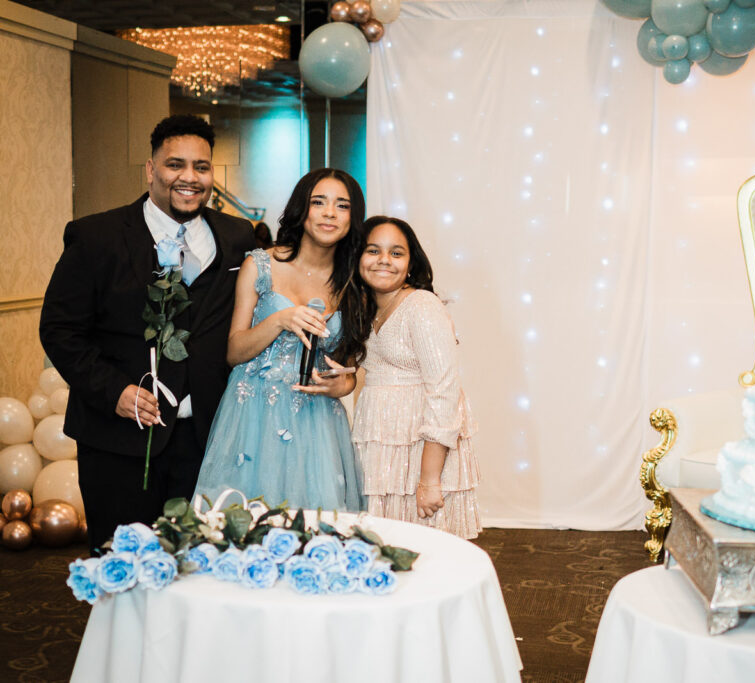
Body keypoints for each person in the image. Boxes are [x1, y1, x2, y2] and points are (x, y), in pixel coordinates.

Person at [40, 115, 257, 552]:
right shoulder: (96, 237)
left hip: (209, 438)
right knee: (124, 564)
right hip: (120, 441)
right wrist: (114, 391)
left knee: (201, 566)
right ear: (150, 169)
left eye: (201, 167)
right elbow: (60, 330)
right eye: (175, 164)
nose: (189, 177)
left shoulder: (237, 236)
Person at [192, 168, 368, 511]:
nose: (330, 213)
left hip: (317, 422)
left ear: (353, 217)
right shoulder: (261, 265)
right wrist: (278, 320)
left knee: (315, 521)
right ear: (302, 209)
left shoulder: (353, 282)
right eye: (319, 202)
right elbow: (233, 352)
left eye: (342, 205)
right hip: (254, 414)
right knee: (245, 520)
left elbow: (351, 367)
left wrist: (343, 385)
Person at [352, 216, 481, 538]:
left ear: (410, 264)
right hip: (383, 447)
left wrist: (429, 479)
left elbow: (444, 392)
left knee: (422, 550)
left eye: (396, 253)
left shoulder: (422, 306)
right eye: (373, 250)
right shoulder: (366, 308)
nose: (384, 260)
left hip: (420, 454)